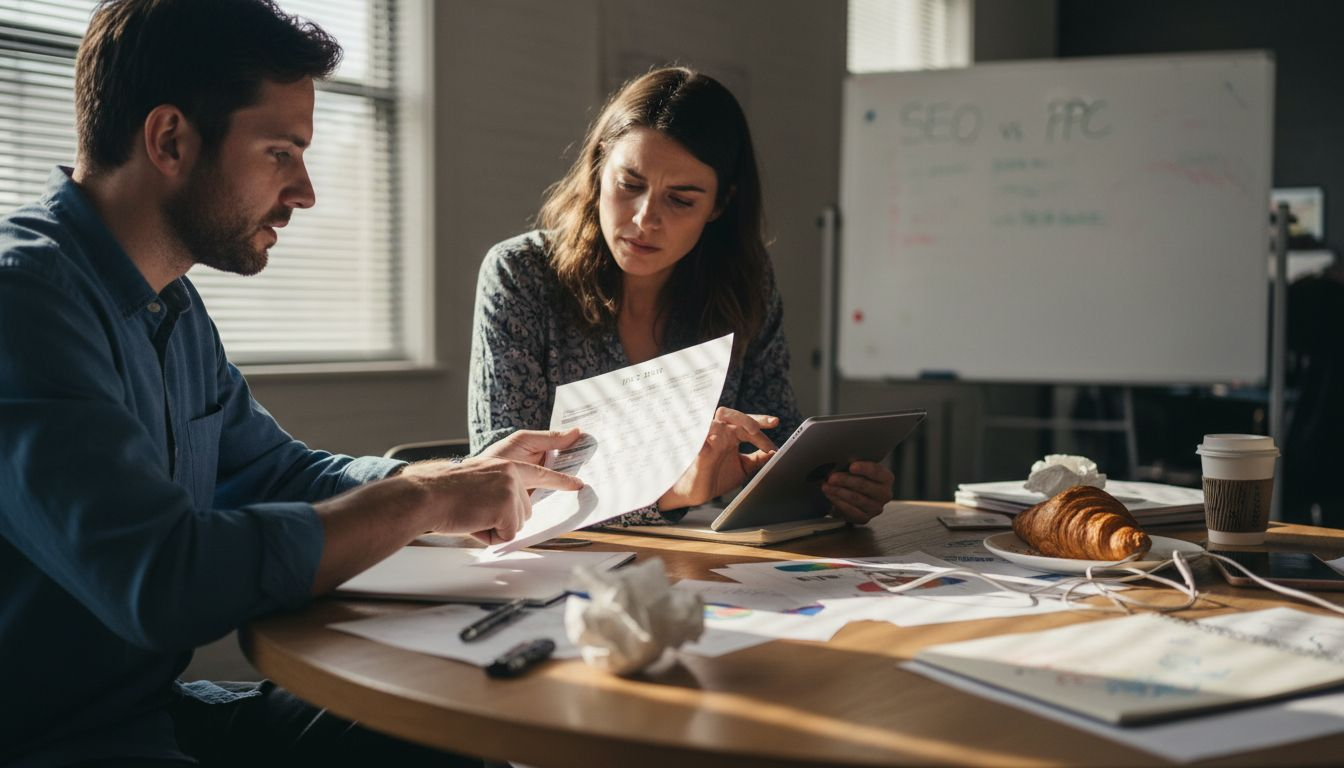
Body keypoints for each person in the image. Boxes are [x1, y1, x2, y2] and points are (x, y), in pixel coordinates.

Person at [0, 1, 581, 765]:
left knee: (438, 728)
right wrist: (422, 500)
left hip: (152, 713)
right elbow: (163, 579)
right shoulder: (25, 303)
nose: (305, 191)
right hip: (55, 743)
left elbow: (281, 473)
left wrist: (452, 481)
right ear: (170, 138)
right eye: (280, 151)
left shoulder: (169, 302)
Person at [469, 67, 895, 526]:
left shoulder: (744, 286)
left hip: (702, 563)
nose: (644, 220)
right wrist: (674, 493)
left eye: (681, 200)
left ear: (719, 205)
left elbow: (775, 439)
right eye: (629, 185)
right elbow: (504, 486)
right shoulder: (521, 275)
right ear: (597, 171)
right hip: (559, 566)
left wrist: (830, 486)